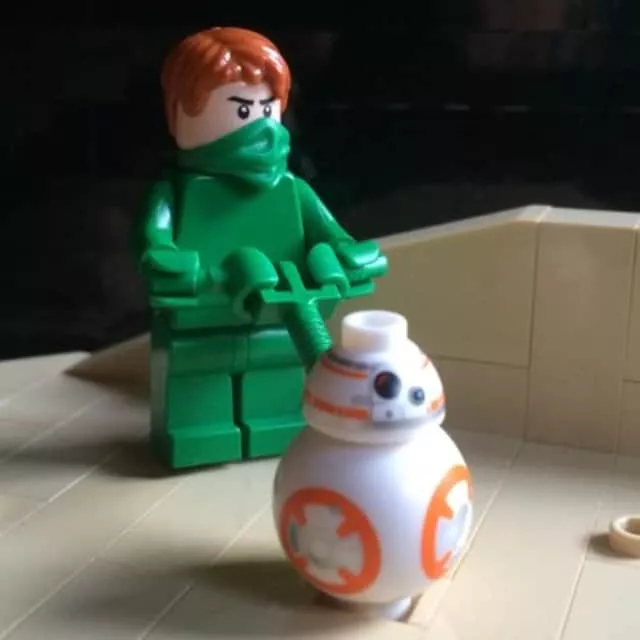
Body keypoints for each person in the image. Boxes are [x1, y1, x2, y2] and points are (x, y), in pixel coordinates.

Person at [137, 26, 387, 469]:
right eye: (241, 109)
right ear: (179, 112)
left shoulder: (292, 190)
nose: (260, 126)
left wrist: (343, 255)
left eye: (266, 108)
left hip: (286, 317)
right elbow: (156, 241)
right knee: (196, 381)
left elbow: (332, 235)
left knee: (278, 377)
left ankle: (277, 426)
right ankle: (197, 437)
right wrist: (170, 261)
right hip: (203, 314)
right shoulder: (176, 194)